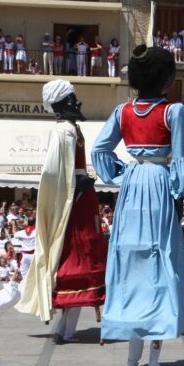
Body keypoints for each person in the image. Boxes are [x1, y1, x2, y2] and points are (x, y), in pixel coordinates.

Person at [92, 45, 184, 366]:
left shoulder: (123, 111)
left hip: (133, 182)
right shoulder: (174, 111)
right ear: (166, 78)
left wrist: (121, 173)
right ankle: (153, 361)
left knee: (129, 261)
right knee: (162, 262)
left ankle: (132, 358)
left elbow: (99, 149)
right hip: (160, 183)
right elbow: (179, 158)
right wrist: (180, 190)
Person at [17, 80, 107, 344]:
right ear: (60, 104)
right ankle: (65, 329)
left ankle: (64, 329)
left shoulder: (72, 129)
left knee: (83, 260)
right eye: (72, 98)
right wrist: (77, 185)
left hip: (82, 200)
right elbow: (54, 171)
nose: (77, 102)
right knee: (78, 261)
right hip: (76, 202)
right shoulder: (64, 131)